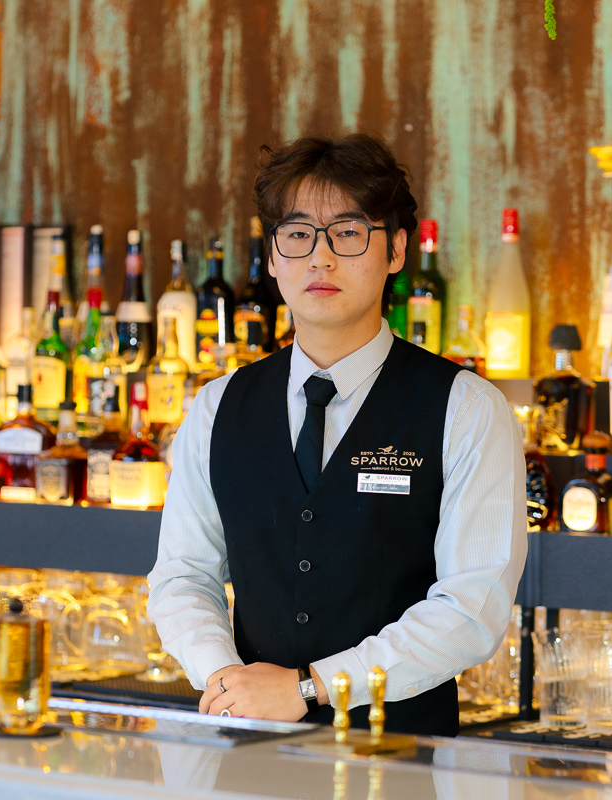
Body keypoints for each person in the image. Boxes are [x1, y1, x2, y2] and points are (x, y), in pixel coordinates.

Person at [147, 132, 526, 737]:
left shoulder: (467, 409)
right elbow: (182, 576)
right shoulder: (218, 407)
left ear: (395, 250)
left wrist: (310, 687)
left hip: (401, 756)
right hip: (251, 753)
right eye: (297, 234)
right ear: (272, 257)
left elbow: (472, 607)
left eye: (347, 232)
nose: (320, 258)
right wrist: (226, 680)